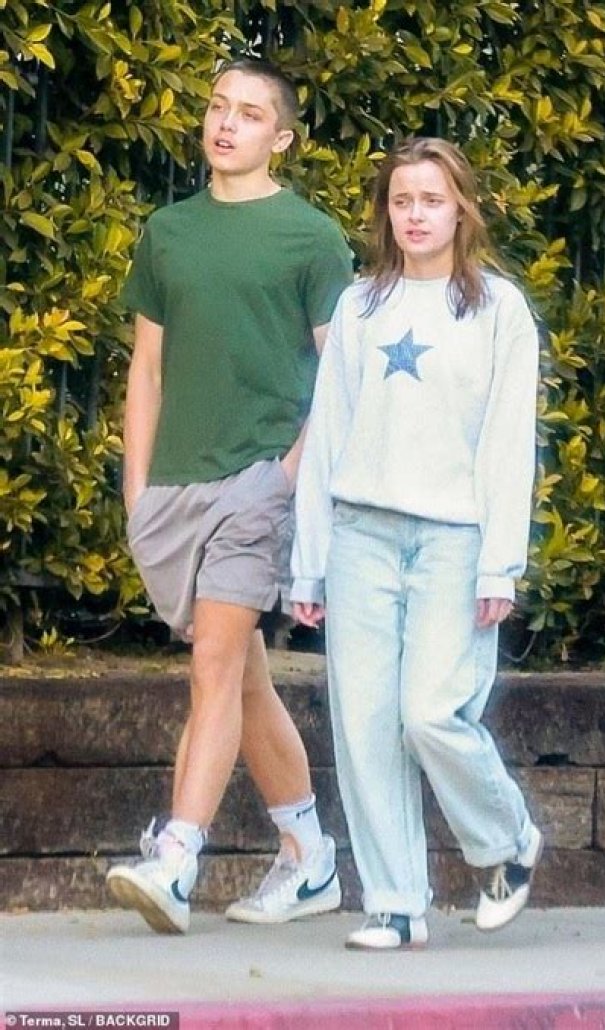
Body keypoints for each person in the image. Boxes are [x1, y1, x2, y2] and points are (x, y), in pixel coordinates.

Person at [106, 57, 354, 934]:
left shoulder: (312, 237)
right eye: (218, 107)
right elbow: (147, 366)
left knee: (212, 663)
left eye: (249, 114)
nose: (226, 123)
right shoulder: (168, 231)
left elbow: (341, 376)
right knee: (243, 679)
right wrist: (137, 485)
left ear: (280, 137)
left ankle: (176, 858)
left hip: (257, 484)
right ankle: (310, 856)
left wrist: (286, 475)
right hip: (173, 487)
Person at [291, 137, 542, 950]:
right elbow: (328, 433)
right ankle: (395, 905)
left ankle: (505, 842)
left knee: (431, 712)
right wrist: (309, 563)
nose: (416, 215)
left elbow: (509, 441)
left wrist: (501, 561)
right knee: (364, 727)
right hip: (360, 535)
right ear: (385, 213)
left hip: (454, 542)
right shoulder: (360, 307)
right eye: (402, 201)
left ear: (461, 209)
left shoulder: (498, 309)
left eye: (432, 200)